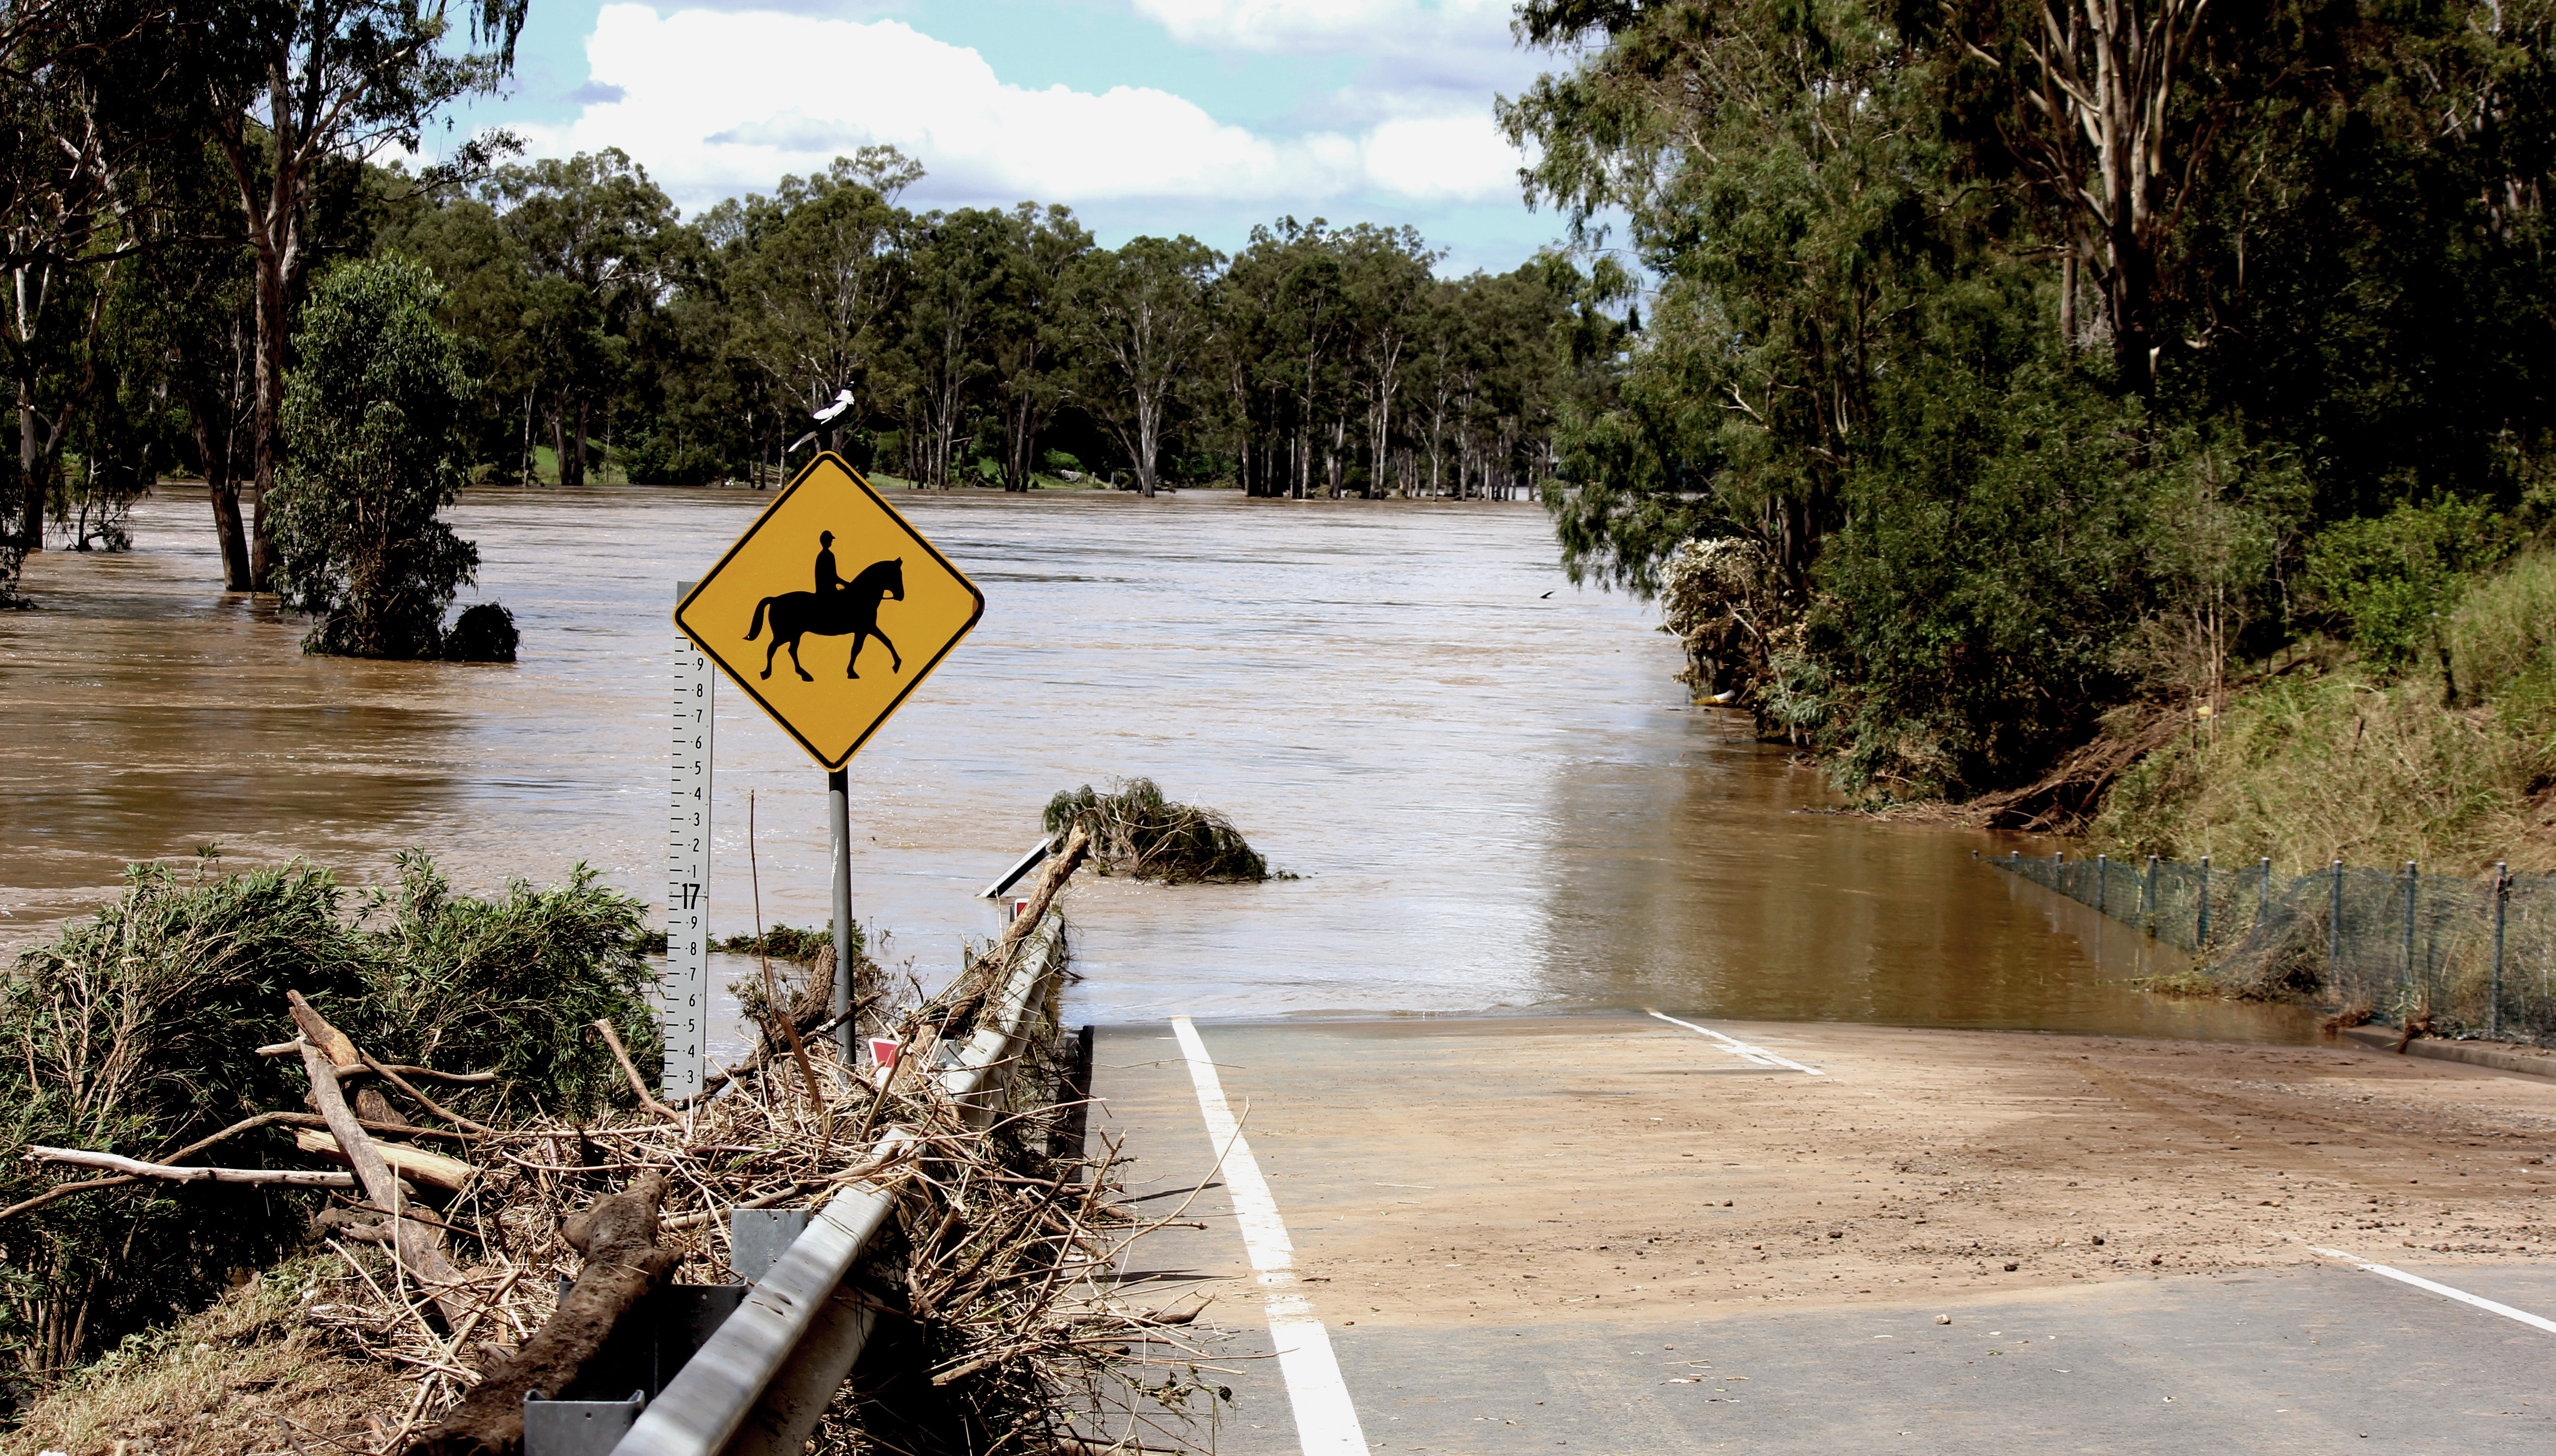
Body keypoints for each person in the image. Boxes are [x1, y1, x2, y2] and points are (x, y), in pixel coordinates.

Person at [814, 530, 847, 594]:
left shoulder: (820, 555)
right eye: (830, 539)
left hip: (821, 590)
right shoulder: (829, 555)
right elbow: (834, 577)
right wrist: (847, 584)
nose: (832, 541)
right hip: (829, 591)